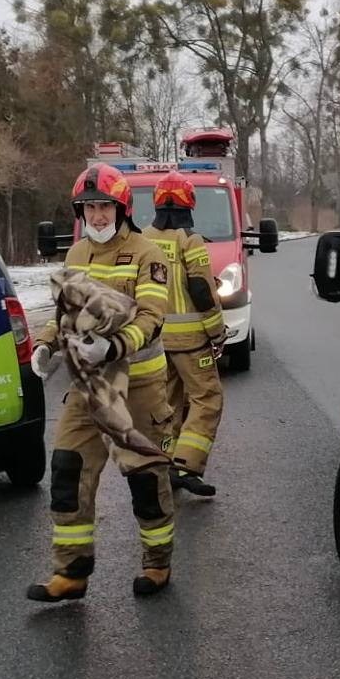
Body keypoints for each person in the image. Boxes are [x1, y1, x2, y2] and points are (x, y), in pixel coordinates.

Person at [25, 164, 180, 602]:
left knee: (146, 480)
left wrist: (112, 348)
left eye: (103, 206)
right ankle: (71, 572)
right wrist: (46, 344)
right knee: (67, 472)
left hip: (138, 389)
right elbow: (65, 315)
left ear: (121, 208)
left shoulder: (148, 254)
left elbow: (152, 318)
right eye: (89, 207)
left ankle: (157, 564)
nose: (96, 215)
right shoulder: (76, 255)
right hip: (87, 388)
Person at [144, 175, 227, 497]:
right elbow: (201, 291)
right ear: (188, 204)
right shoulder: (190, 241)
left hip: (156, 341)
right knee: (207, 399)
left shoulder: (144, 240)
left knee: (167, 403)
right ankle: (188, 465)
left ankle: (164, 464)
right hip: (192, 342)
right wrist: (217, 331)